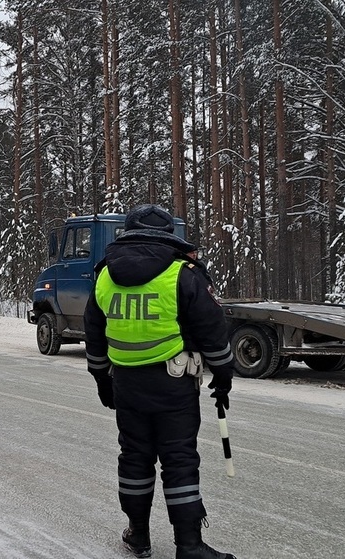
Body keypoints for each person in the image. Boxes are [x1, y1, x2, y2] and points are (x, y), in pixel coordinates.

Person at [84, 204, 236, 559]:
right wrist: (223, 375)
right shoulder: (183, 273)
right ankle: (189, 546)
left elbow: (94, 330)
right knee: (179, 459)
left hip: (126, 384)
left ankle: (138, 536)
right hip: (174, 383)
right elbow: (212, 328)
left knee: (135, 457)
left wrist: (101, 379)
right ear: (171, 237)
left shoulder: (105, 275)